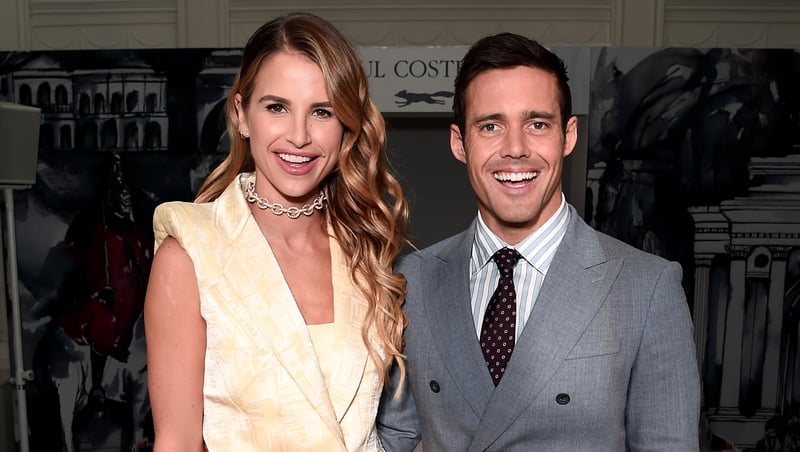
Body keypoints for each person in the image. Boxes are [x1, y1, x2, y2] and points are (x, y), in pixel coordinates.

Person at [376, 32, 701, 451]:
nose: (515, 149)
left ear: (568, 136)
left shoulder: (647, 288)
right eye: (491, 126)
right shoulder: (413, 279)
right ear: (460, 143)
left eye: (537, 124)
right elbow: (392, 437)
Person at [144, 12, 408, 451]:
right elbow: (176, 442)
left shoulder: (365, 250)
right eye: (277, 107)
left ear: (345, 129)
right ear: (242, 115)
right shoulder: (191, 252)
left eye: (321, 111)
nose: (299, 136)